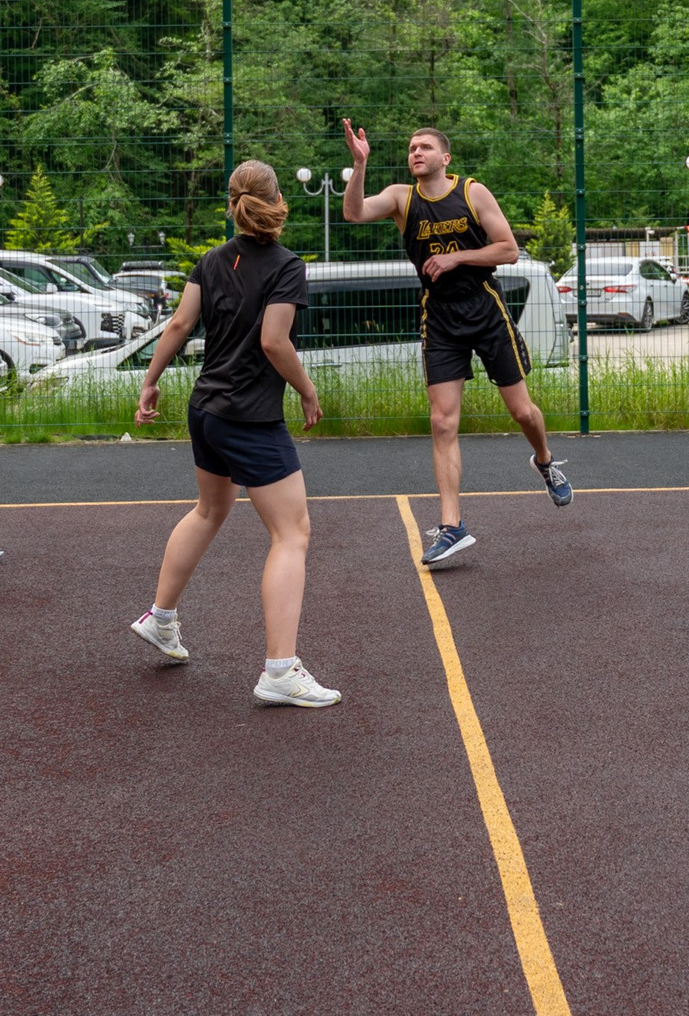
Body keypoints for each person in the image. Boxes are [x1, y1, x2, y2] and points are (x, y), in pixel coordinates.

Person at [129, 161, 339, 707]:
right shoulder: (287, 266)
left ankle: (161, 618)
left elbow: (179, 325)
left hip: (207, 410)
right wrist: (307, 390)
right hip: (248, 417)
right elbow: (274, 341)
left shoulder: (211, 260)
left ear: (232, 204)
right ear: (278, 201)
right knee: (292, 533)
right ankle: (280, 671)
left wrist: (150, 381)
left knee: (209, 510)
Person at [341, 121, 570, 569]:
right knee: (442, 422)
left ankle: (544, 461)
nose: (416, 152)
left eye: (425, 146)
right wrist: (360, 163)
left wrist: (456, 257)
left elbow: (508, 250)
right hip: (440, 317)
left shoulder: (472, 193)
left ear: (445, 158)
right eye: (411, 147)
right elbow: (354, 213)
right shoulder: (401, 198)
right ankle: (452, 526)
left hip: (484, 308)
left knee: (522, 412)